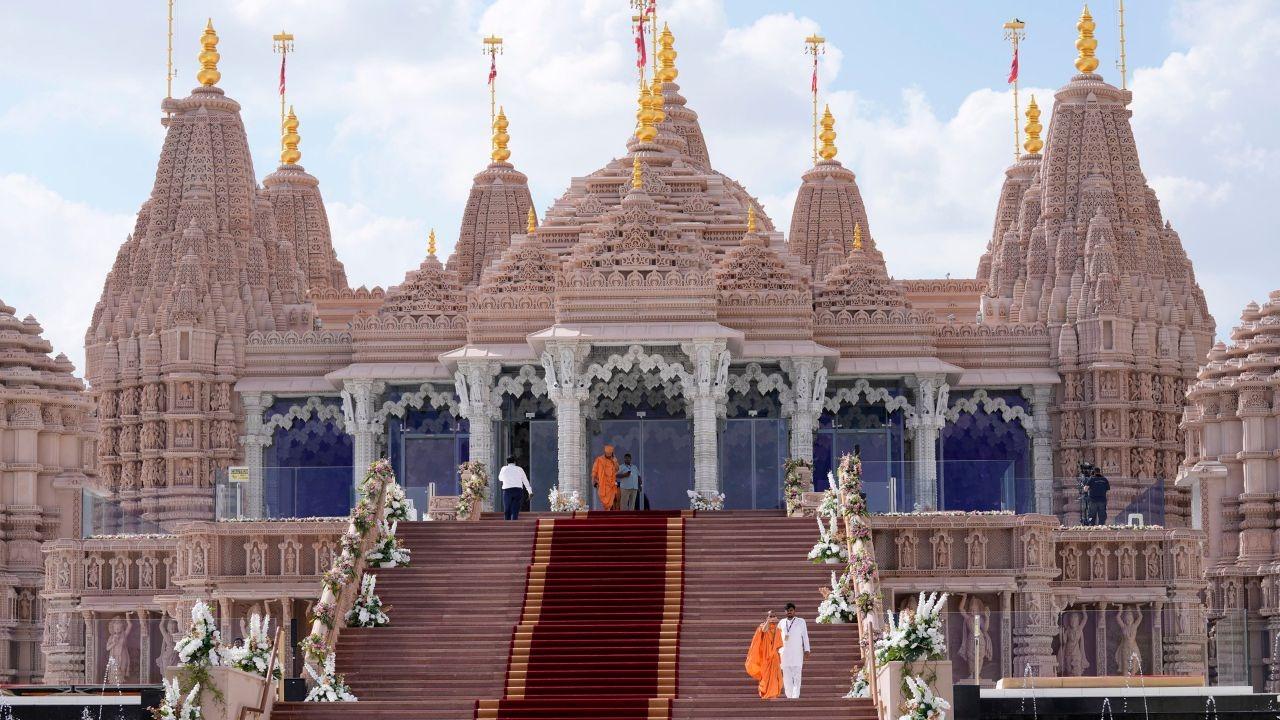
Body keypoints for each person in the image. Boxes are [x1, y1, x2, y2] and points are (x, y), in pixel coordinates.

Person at [745, 610, 783, 699]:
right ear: (767, 617)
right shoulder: (762, 626)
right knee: (765, 678)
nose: (772, 618)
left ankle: (773, 695)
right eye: (770, 616)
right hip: (765, 658)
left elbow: (778, 644)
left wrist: (776, 624)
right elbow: (764, 630)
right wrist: (768, 621)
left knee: (776, 677)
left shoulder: (778, 629)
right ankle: (766, 694)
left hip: (774, 657)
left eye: (773, 616)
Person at [779, 602, 810, 699]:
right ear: (785, 612)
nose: (789, 612)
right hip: (784, 653)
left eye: (791, 610)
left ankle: (795, 696)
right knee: (786, 677)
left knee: (797, 676)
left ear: (794, 611)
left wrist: (807, 649)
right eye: (787, 611)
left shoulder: (801, 621)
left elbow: (805, 636)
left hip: (797, 653)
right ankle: (789, 697)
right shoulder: (781, 622)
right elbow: (776, 638)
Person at [498, 456, 532, 520]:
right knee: (515, 510)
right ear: (515, 462)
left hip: (507, 491)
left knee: (507, 509)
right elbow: (525, 480)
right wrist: (530, 492)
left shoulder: (504, 468)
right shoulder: (519, 469)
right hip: (518, 491)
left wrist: (507, 478)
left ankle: (507, 526)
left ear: (507, 462)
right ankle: (514, 522)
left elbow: (500, 479)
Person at [591, 444, 620, 510]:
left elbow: (617, 469)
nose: (609, 455)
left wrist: (615, 462)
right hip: (602, 483)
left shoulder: (614, 460)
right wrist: (593, 480)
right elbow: (594, 471)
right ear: (605, 453)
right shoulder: (599, 460)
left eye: (610, 454)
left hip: (611, 485)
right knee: (602, 501)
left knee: (610, 502)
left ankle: (607, 513)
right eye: (607, 454)